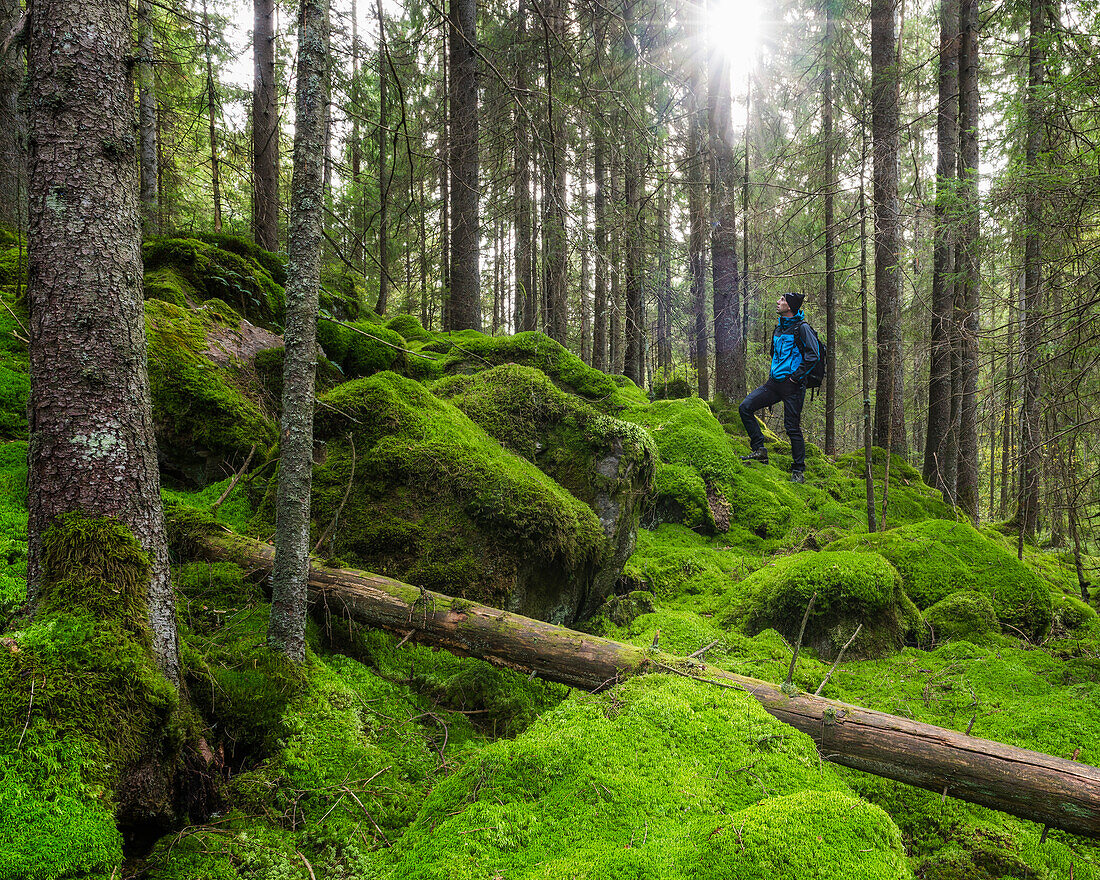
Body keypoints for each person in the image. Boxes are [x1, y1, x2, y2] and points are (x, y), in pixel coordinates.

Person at [738, 292, 820, 484]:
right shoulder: (779, 328)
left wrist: (795, 378)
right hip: (773, 384)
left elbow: (813, 355)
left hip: (793, 386)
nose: (778, 302)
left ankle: (798, 470)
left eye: (782, 300)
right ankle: (760, 451)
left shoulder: (803, 328)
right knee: (745, 407)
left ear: (790, 306)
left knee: (792, 428)